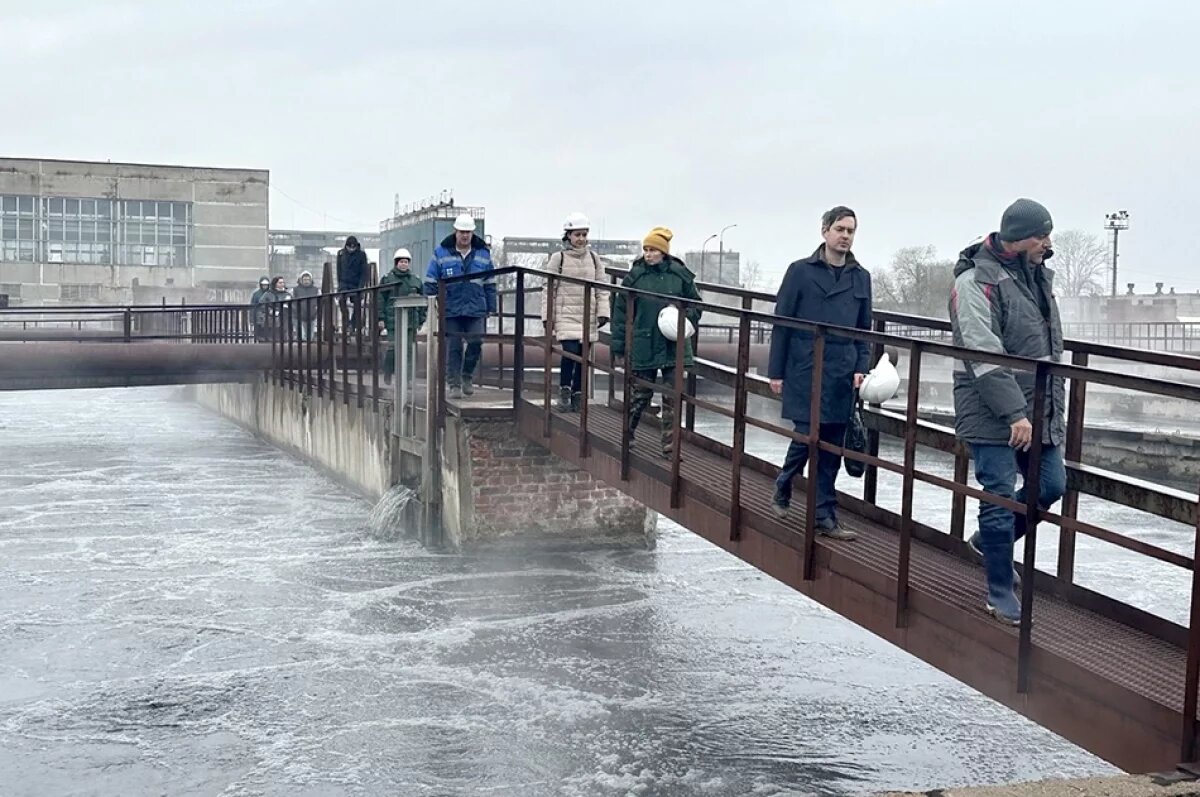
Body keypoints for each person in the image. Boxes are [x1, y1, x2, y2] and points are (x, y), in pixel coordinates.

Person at [949, 198, 1066, 626]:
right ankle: (999, 592)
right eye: (1042, 236)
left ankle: (988, 542)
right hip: (990, 409)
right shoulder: (975, 280)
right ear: (1019, 238)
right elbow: (981, 353)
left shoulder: (1038, 275)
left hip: (1038, 409)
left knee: (1051, 486)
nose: (1048, 244)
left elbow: (1046, 346)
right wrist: (1015, 413)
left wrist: (1043, 410)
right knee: (998, 496)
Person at [767, 206, 872, 542]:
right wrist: (776, 372)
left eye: (850, 231)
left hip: (842, 370)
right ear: (825, 231)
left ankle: (824, 516)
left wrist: (861, 366)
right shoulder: (800, 271)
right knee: (806, 436)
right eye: (840, 229)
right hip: (805, 364)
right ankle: (785, 482)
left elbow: (864, 329)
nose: (845, 236)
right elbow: (781, 322)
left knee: (831, 447)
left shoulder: (861, 277)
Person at [609, 226, 702, 459]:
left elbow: (696, 304)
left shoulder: (680, 275)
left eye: (652, 250)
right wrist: (619, 345)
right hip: (643, 342)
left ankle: (671, 447)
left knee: (672, 397)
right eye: (646, 249)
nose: (648, 254)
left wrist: (684, 318)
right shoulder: (636, 277)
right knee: (640, 395)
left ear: (663, 252)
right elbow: (620, 313)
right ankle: (627, 435)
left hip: (673, 343)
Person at [423, 214, 496, 398]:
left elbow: (490, 282)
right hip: (451, 308)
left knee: (476, 341)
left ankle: (466, 375)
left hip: (475, 307)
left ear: (473, 233)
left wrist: (491, 306)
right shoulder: (441, 253)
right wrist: (433, 302)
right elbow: (431, 280)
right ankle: (454, 384)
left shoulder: (483, 254)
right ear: (455, 232)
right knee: (453, 346)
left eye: (468, 232)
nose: (465, 236)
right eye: (462, 232)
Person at [544, 212, 610, 412]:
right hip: (566, 314)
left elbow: (601, 287)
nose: (580, 239)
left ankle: (578, 394)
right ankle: (564, 391)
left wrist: (603, 311)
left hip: (587, 314)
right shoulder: (559, 258)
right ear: (568, 236)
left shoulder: (593, 258)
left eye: (583, 234)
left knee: (583, 356)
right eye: (577, 235)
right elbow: (548, 288)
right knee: (570, 352)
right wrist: (548, 316)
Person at [377, 247, 426, 382]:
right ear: (396, 263)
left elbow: (423, 300)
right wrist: (380, 318)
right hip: (393, 320)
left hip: (411, 321)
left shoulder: (415, 280)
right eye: (401, 262)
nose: (404, 264)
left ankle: (407, 379)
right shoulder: (388, 279)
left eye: (406, 262)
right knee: (393, 348)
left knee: (409, 351)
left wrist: (421, 319)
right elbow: (380, 300)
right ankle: (388, 371)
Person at [336, 235, 368, 332]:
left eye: (353, 247)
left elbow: (364, 272)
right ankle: (346, 321)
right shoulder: (341, 254)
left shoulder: (361, 255)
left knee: (357, 303)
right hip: (344, 283)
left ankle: (354, 324)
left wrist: (361, 287)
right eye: (349, 247)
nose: (351, 249)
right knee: (341, 300)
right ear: (346, 246)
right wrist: (340, 285)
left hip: (356, 283)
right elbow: (339, 270)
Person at [260, 276, 293, 341]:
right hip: (271, 320)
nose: (282, 284)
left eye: (283, 282)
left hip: (285, 319)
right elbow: (261, 304)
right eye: (280, 283)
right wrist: (270, 311)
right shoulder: (269, 294)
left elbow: (293, 305)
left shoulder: (287, 294)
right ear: (275, 284)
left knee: (284, 336)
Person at [292, 271, 319, 341]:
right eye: (304, 279)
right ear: (301, 280)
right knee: (302, 338)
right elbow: (292, 301)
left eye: (308, 279)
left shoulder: (316, 290)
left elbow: (319, 301)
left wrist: (316, 309)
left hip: (312, 316)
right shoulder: (295, 290)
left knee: (310, 338)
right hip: (299, 316)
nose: (306, 281)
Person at [250, 276, 271, 342]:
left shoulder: (271, 293)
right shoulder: (256, 294)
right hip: (259, 317)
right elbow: (252, 307)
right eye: (263, 285)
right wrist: (252, 319)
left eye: (266, 285)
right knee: (259, 335)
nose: (265, 286)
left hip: (269, 317)